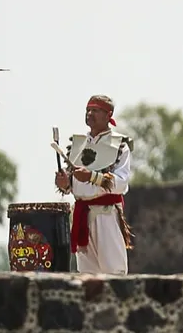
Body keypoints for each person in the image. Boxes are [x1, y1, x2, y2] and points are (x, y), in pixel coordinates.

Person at [55, 95, 133, 275]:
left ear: (109, 114)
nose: (90, 114)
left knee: (114, 271)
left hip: (106, 215)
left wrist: (92, 176)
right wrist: (65, 183)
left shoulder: (119, 145)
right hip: (82, 216)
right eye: (88, 110)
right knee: (87, 276)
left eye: (95, 110)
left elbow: (121, 183)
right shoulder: (78, 144)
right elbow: (74, 186)